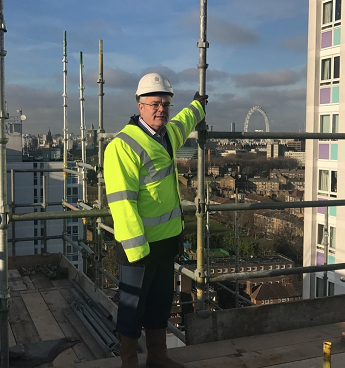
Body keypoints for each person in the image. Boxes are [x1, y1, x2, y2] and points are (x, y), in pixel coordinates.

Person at [104, 72, 207, 368]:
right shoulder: (123, 146)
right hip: (139, 247)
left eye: (165, 103)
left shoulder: (166, 136)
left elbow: (184, 121)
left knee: (161, 302)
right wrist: (137, 252)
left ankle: (158, 358)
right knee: (132, 306)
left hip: (165, 241)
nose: (161, 109)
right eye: (154, 103)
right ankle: (129, 364)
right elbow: (122, 204)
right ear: (140, 105)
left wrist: (198, 105)